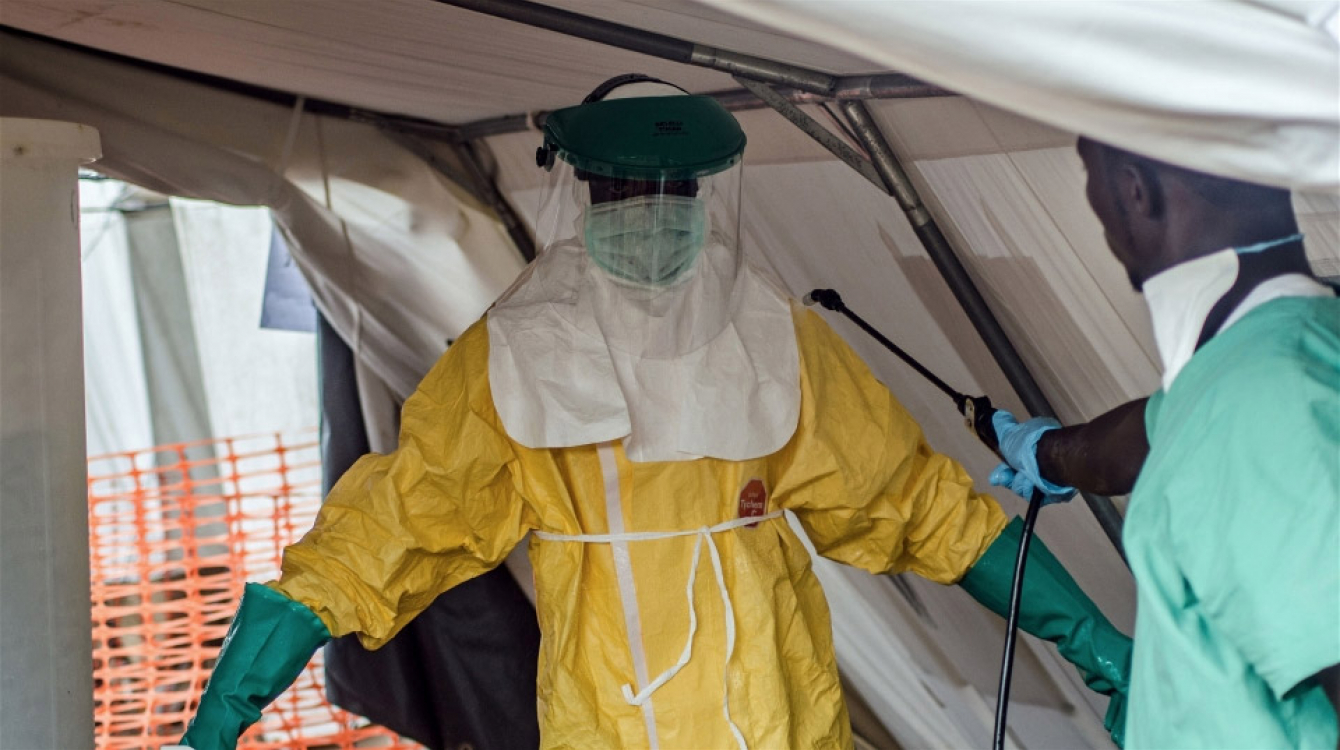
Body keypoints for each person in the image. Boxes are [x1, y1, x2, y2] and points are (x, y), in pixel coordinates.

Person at [174, 76, 1131, 750]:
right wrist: (227, 707)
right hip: (613, 723)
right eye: (630, 192)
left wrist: (1096, 643)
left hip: (782, 721)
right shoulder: (512, 358)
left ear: (707, 194)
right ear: (583, 191)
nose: (653, 211)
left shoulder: (776, 341)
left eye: (674, 193)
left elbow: (922, 509)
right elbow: (386, 530)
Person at [989, 137, 1340, 749]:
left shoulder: (1265, 399)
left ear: (1134, 189)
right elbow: (1142, 441)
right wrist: (1044, 454)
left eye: (1087, 171)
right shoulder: (1267, 358)